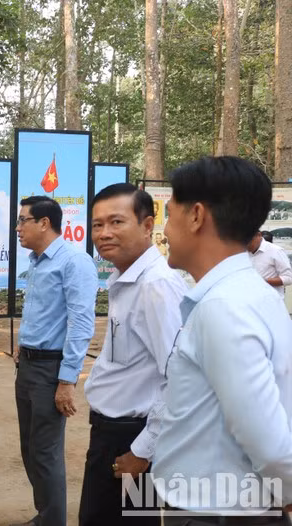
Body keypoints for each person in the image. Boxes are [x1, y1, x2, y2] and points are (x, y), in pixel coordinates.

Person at [153, 156, 292, 524]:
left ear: (196, 216)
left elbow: (268, 441)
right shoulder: (249, 294)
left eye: (169, 214)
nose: (165, 229)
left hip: (217, 511)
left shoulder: (224, 307)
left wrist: (288, 494)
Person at [81, 183, 187, 525]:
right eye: (98, 225)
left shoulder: (155, 286)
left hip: (130, 438)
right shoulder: (125, 279)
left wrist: (143, 450)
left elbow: (182, 376)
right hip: (112, 434)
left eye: (116, 222)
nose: (104, 233)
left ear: (146, 226)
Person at [11, 196, 97, 526]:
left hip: (51, 370)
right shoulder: (37, 260)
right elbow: (43, 313)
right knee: (30, 448)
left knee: (45, 453)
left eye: (23, 221)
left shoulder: (74, 262)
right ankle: (45, 514)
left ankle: (53, 521)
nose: (18, 228)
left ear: (44, 223)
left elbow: (81, 323)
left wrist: (66, 381)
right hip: (29, 366)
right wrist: (23, 343)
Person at [247, 230, 292, 299]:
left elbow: (288, 278)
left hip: (271, 303)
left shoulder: (276, 251)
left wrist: (263, 281)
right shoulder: (243, 252)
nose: (246, 246)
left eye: (249, 242)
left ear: (258, 235)